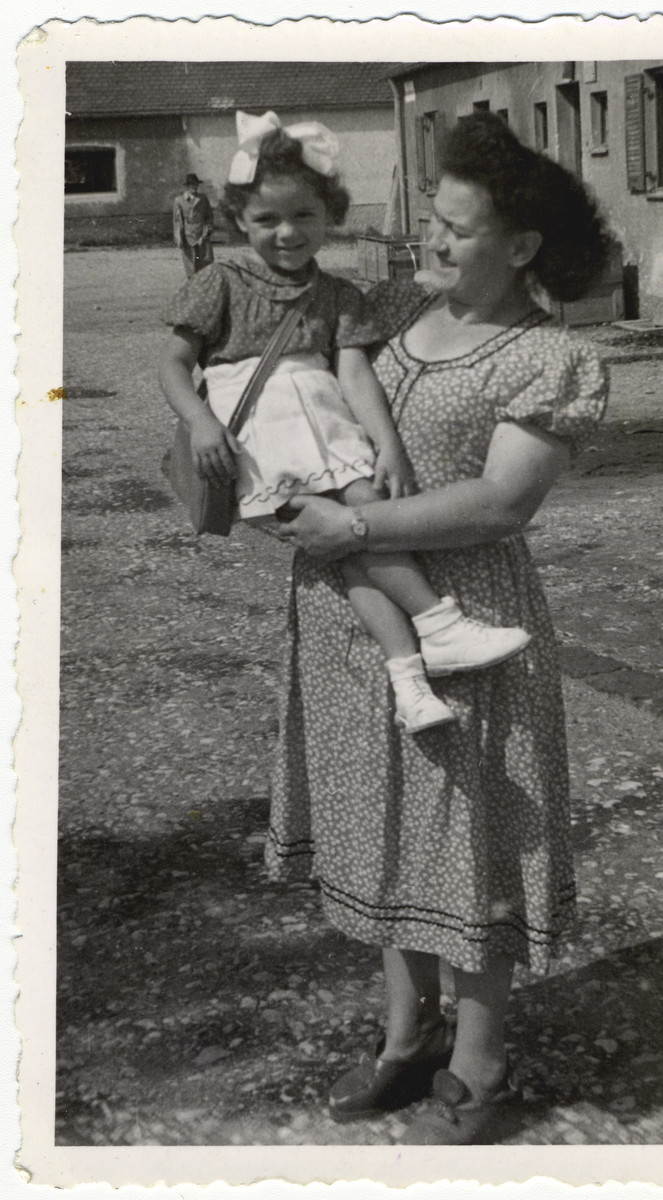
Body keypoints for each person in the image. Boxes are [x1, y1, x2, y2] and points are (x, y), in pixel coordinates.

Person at [264, 111, 611, 1144]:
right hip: (345, 619)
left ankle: (480, 1060)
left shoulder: (550, 357)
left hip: (470, 628)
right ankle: (405, 1040)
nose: (433, 245)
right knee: (378, 827)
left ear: (521, 247)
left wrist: (352, 521)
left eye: (458, 229)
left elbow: (502, 504)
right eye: (433, 226)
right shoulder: (385, 308)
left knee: (469, 841)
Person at [160, 112, 531, 736]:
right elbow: (172, 363)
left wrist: (388, 447)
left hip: (326, 430)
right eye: (266, 220)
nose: (287, 233)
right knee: (357, 534)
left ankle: (411, 680)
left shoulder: (338, 295)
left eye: (304, 216)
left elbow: (354, 377)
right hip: (260, 443)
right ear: (239, 223)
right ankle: (439, 624)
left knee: (360, 537)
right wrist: (199, 421)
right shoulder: (218, 282)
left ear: (329, 215)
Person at [172, 173, 215, 278]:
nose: (194, 187)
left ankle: (205, 288)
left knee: (205, 263)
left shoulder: (203, 199)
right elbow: (177, 221)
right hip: (188, 237)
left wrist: (208, 229)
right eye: (191, 185)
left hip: (202, 235)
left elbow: (209, 216)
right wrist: (178, 237)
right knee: (191, 265)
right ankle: (193, 285)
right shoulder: (179, 201)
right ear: (186, 187)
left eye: (196, 185)